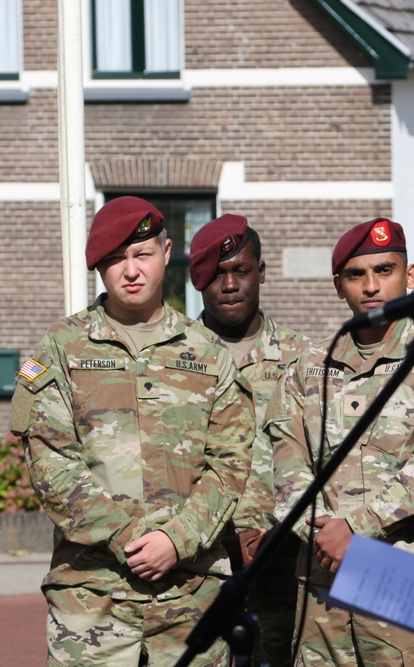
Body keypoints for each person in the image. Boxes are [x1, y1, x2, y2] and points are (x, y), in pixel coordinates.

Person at [10, 196, 254, 666]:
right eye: (115, 259)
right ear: (100, 268)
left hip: (191, 599)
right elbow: (49, 460)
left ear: (166, 253)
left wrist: (176, 539)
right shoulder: (62, 346)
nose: (131, 270)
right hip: (91, 601)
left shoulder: (208, 352)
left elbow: (231, 463)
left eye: (141, 254)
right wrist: (126, 535)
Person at [265, 218, 414, 666]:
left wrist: (356, 529)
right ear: (337, 286)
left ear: (411, 276)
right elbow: (284, 462)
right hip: (321, 585)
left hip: (402, 582)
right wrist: (326, 534)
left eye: (385, 270)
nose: (370, 286)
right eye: (355, 275)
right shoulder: (308, 368)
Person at [189, 213, 308, 667]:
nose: (230, 284)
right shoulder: (174, 357)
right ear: (199, 280)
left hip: (283, 564)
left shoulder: (305, 360)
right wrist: (218, 536)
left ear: (261, 273)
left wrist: (280, 532)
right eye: (217, 274)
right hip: (199, 565)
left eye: (241, 270)